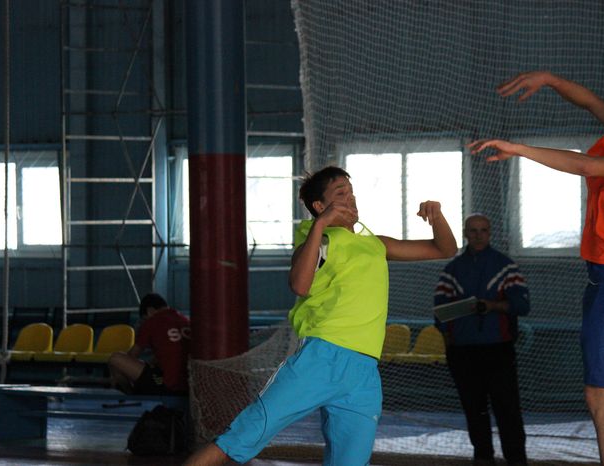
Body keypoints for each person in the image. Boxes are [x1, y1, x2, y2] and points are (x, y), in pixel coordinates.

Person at [470, 71, 604, 466]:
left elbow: (586, 166)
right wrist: (550, 80)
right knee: (602, 396)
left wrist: (519, 148)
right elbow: (592, 103)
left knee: (601, 397)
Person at [184, 166, 458, 466]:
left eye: (351, 192)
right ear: (319, 206)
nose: (351, 199)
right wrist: (320, 225)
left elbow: (444, 249)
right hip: (321, 358)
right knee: (241, 437)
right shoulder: (319, 240)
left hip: (364, 371)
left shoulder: (375, 244)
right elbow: (300, 285)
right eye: (341, 193)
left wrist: (437, 215)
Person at [434, 213, 530, 466]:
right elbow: (439, 313)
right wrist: (450, 337)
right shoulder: (452, 269)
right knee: (474, 409)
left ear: (490, 233)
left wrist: (492, 305)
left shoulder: (506, 266)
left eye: (483, 230)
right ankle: (483, 457)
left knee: (507, 409)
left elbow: (522, 305)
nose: (478, 236)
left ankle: (516, 460)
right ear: (466, 233)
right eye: (473, 231)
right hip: (463, 353)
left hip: (498, 350)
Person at [108, 293, 190, 395]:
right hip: (189, 386)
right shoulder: (185, 320)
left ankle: (130, 395)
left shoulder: (152, 322)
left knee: (115, 359)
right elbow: (171, 354)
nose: (144, 322)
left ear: (150, 311)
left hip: (167, 386)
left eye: (144, 319)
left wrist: (117, 378)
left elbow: (132, 355)